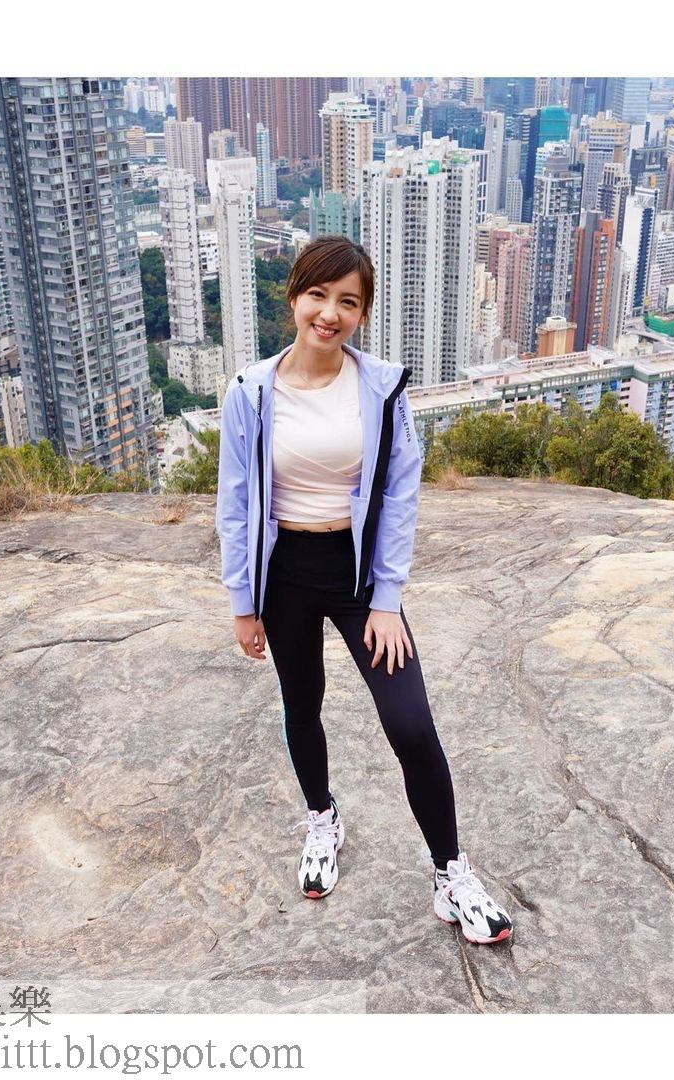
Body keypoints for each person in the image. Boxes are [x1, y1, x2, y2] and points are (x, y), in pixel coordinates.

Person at [215, 235, 512, 945]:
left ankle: (451, 875)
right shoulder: (250, 391)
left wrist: (386, 599)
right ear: (293, 297)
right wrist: (242, 603)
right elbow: (234, 502)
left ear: (362, 313)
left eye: (347, 302)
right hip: (283, 574)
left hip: (356, 579)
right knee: (302, 703)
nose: (330, 313)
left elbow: (402, 493)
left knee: (410, 722)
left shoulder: (382, 389)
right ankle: (322, 817)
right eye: (318, 295)